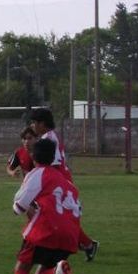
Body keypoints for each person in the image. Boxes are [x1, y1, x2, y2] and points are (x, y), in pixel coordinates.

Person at [9, 138, 81, 274]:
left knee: (21, 268)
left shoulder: (38, 173)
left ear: (33, 156)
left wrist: (25, 205)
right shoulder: (67, 182)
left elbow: (18, 207)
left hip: (47, 229)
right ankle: (58, 270)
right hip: (70, 235)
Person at [29, 107, 99, 261]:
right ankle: (86, 244)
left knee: (57, 216)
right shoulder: (48, 136)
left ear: (43, 123)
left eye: (35, 122)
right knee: (57, 215)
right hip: (56, 181)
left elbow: (52, 165)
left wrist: (43, 183)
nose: (33, 126)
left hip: (58, 182)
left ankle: (42, 242)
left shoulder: (49, 139)